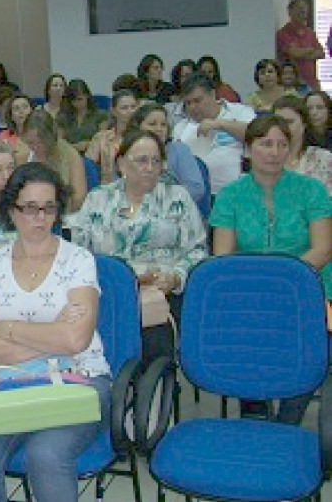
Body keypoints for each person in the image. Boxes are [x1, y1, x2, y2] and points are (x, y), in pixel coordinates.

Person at [0, 162, 110, 502]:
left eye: (49, 208)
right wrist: (52, 334)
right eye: (29, 208)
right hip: (9, 382)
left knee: (46, 455)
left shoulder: (78, 261)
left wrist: (8, 328)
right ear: (11, 210)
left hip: (80, 377)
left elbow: (76, 341)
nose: (40, 218)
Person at [211, 114, 332, 423]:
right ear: (248, 150)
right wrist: (262, 286)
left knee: (312, 345)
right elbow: (222, 257)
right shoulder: (230, 195)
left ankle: (289, 420)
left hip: (308, 285)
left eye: (282, 144)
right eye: (266, 144)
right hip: (248, 290)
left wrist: (284, 281)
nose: (275, 152)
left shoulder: (312, 190)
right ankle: (255, 408)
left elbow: (323, 248)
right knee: (244, 331)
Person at [69, 130, 207, 365]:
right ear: (121, 163)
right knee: (100, 338)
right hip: (110, 292)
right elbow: (78, 254)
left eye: (156, 161)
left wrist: (175, 277)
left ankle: (153, 394)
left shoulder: (178, 198)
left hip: (162, 291)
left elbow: (198, 250)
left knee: (154, 340)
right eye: (142, 160)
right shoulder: (98, 199)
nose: (150, 167)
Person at [172, 72, 255, 194]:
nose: (192, 107)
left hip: (238, 192)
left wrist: (220, 124)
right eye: (188, 103)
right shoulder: (181, 127)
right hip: (198, 196)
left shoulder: (239, 112)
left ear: (212, 94)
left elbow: (257, 135)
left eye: (197, 101)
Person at [128, 104, 207, 206]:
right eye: (152, 124)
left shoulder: (178, 150)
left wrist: (159, 198)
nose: (159, 129)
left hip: (174, 211)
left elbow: (196, 189)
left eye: (163, 124)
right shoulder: (128, 153)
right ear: (138, 127)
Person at [19, 111, 87, 213]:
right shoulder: (22, 155)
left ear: (51, 137)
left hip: (64, 214)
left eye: (41, 142)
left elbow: (79, 199)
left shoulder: (70, 156)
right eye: (30, 142)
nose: (36, 147)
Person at [272, 95, 332, 195]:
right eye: (277, 122)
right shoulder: (263, 158)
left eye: (289, 122)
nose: (282, 127)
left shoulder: (323, 158)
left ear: (304, 124)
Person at [86, 89, 139, 184]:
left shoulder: (144, 137)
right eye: (124, 108)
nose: (130, 111)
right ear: (114, 111)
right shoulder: (101, 137)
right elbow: (89, 167)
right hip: (108, 191)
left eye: (133, 107)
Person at [277, 0, 325, 91]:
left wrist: (302, 52)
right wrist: (310, 50)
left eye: (304, 10)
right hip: (293, 83)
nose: (303, 13)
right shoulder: (283, 33)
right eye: (299, 9)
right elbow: (294, 53)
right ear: (290, 12)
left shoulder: (310, 32)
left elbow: (321, 53)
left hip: (312, 82)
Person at [60, 79, 106, 154]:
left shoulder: (100, 115)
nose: (77, 103)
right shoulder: (62, 117)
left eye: (80, 99)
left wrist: (88, 145)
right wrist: (76, 147)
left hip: (94, 156)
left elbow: (103, 142)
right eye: (73, 100)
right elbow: (59, 144)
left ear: (87, 96)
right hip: (69, 156)